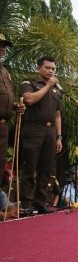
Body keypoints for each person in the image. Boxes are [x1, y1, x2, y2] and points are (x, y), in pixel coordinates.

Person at [20, 56, 63, 214]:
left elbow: (58, 115)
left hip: (51, 131)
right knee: (30, 166)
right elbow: (29, 100)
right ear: (38, 68)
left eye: (53, 68)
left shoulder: (56, 90)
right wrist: (47, 86)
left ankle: (41, 201)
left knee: (46, 168)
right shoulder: (29, 84)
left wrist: (59, 137)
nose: (51, 71)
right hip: (34, 129)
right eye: (47, 67)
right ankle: (26, 203)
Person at [0, 33, 26, 191]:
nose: (2, 49)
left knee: (1, 162)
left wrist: (15, 106)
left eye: (3, 46)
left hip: (3, 126)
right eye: (0, 45)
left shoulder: (5, 72)